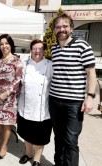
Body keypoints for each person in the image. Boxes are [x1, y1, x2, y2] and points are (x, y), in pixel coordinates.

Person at [49, 13, 96, 166]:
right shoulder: (54, 49)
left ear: (71, 28)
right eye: (58, 27)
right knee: (58, 137)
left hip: (74, 103)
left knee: (71, 140)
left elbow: (91, 73)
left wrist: (89, 97)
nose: (61, 29)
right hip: (55, 100)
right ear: (54, 30)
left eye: (65, 26)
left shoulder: (82, 46)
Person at [17, 39, 52, 166]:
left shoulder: (49, 65)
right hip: (25, 107)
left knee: (40, 137)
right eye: (34, 49)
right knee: (27, 133)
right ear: (31, 50)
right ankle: (28, 153)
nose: (37, 51)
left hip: (42, 109)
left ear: (44, 51)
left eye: (40, 49)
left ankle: (37, 159)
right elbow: (16, 82)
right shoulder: (23, 64)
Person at [0, 34, 23, 160]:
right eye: (1, 44)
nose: (4, 46)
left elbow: (18, 79)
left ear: (11, 45)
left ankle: (4, 145)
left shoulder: (17, 61)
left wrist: (6, 93)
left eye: (6, 43)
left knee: (7, 123)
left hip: (9, 97)